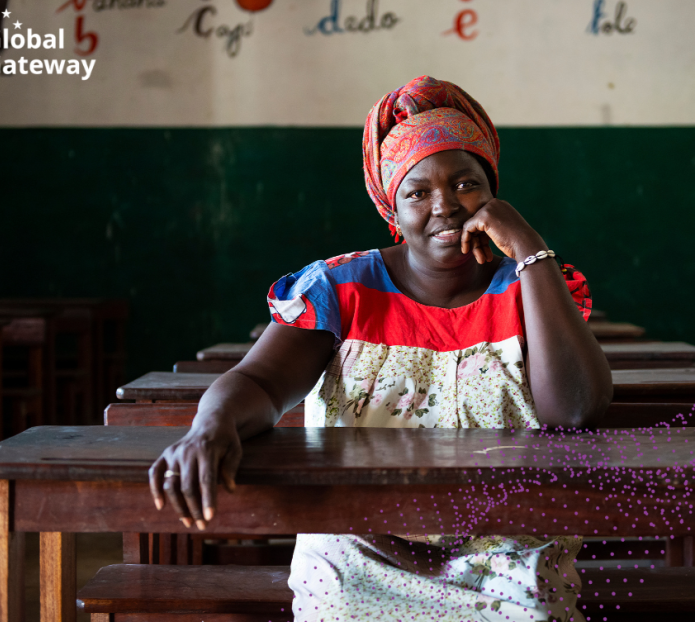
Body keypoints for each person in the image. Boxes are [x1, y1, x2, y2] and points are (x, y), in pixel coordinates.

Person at [149, 76, 613, 621]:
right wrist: (211, 426)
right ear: (392, 206)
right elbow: (261, 382)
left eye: (466, 184)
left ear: (493, 194)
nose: (446, 206)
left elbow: (576, 410)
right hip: (360, 540)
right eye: (418, 192)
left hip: (505, 546)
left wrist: (532, 250)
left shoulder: (528, 289)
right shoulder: (341, 289)